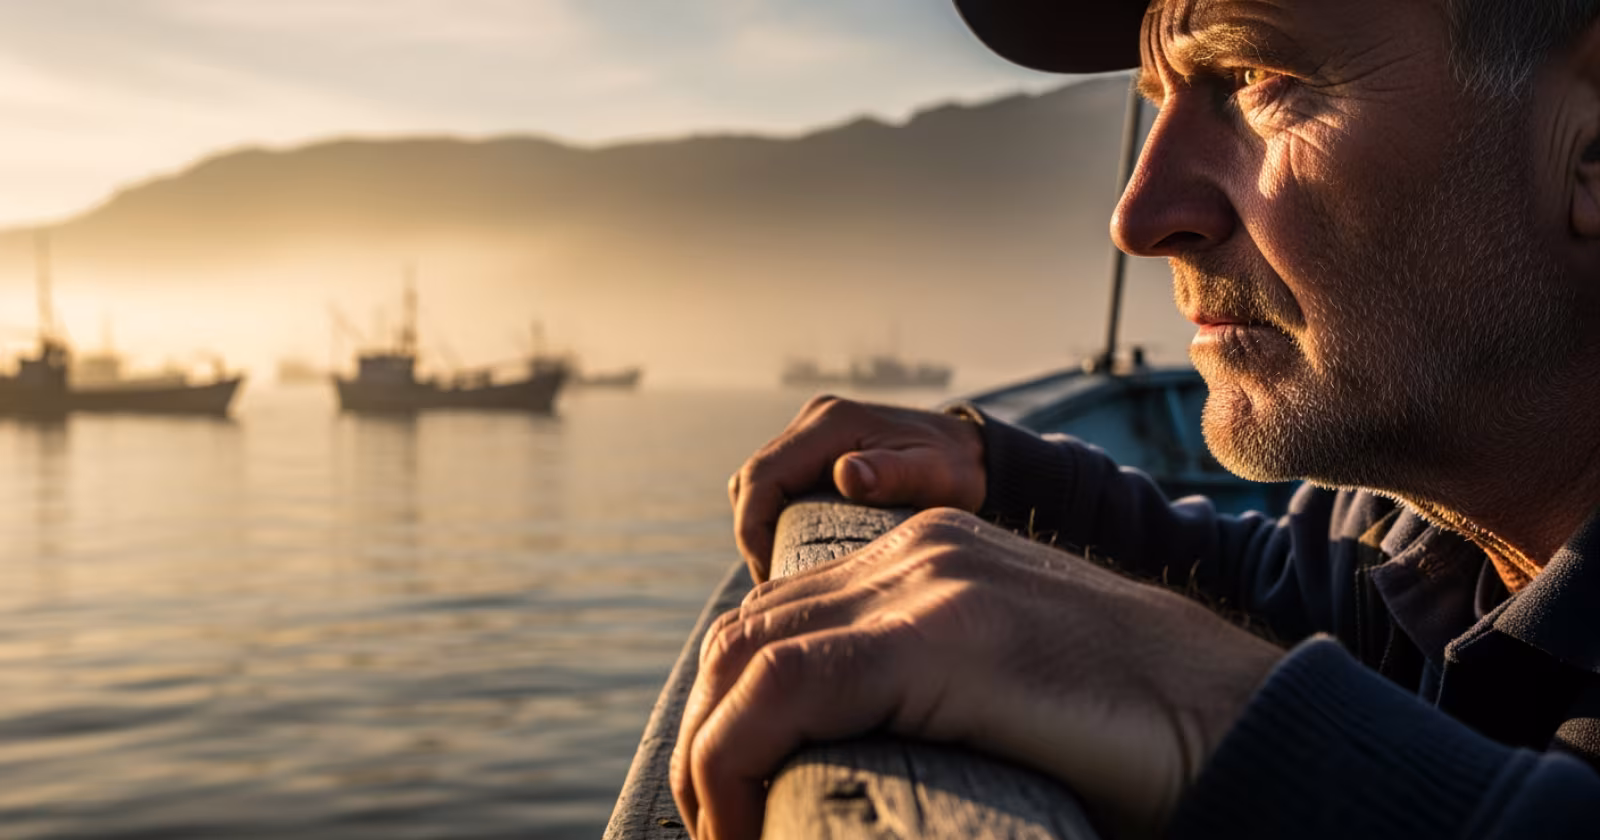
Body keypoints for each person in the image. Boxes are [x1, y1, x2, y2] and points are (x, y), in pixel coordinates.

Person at [671, 0, 1600, 837]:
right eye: (1156, 99)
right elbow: (1292, 587)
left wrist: (1218, 714)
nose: (1139, 214)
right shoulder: (1419, 531)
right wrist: (1013, 479)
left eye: (1257, 78)